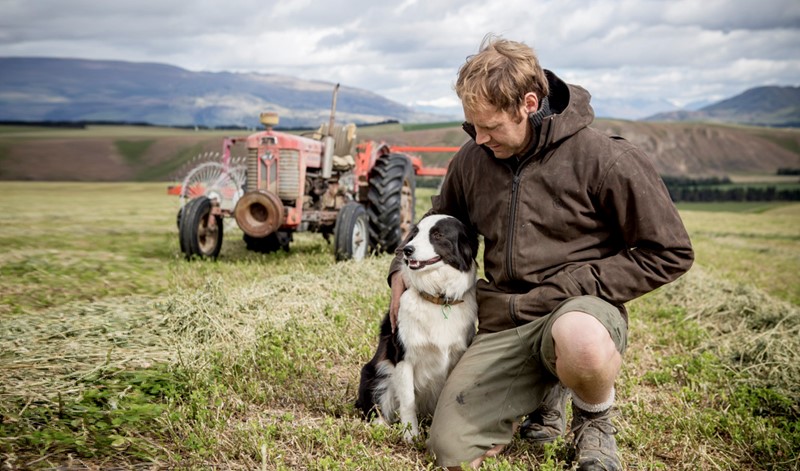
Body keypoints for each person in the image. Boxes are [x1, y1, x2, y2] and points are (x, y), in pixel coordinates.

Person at [386, 35, 694, 470]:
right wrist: (400, 267)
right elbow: (439, 219)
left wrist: (574, 285)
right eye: (472, 126)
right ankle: (541, 394)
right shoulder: (473, 159)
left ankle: (594, 421)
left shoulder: (604, 158)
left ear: (528, 103)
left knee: (580, 341)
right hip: (504, 320)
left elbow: (670, 251)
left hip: (576, 311)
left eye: (490, 127)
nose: (479, 138)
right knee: (450, 449)